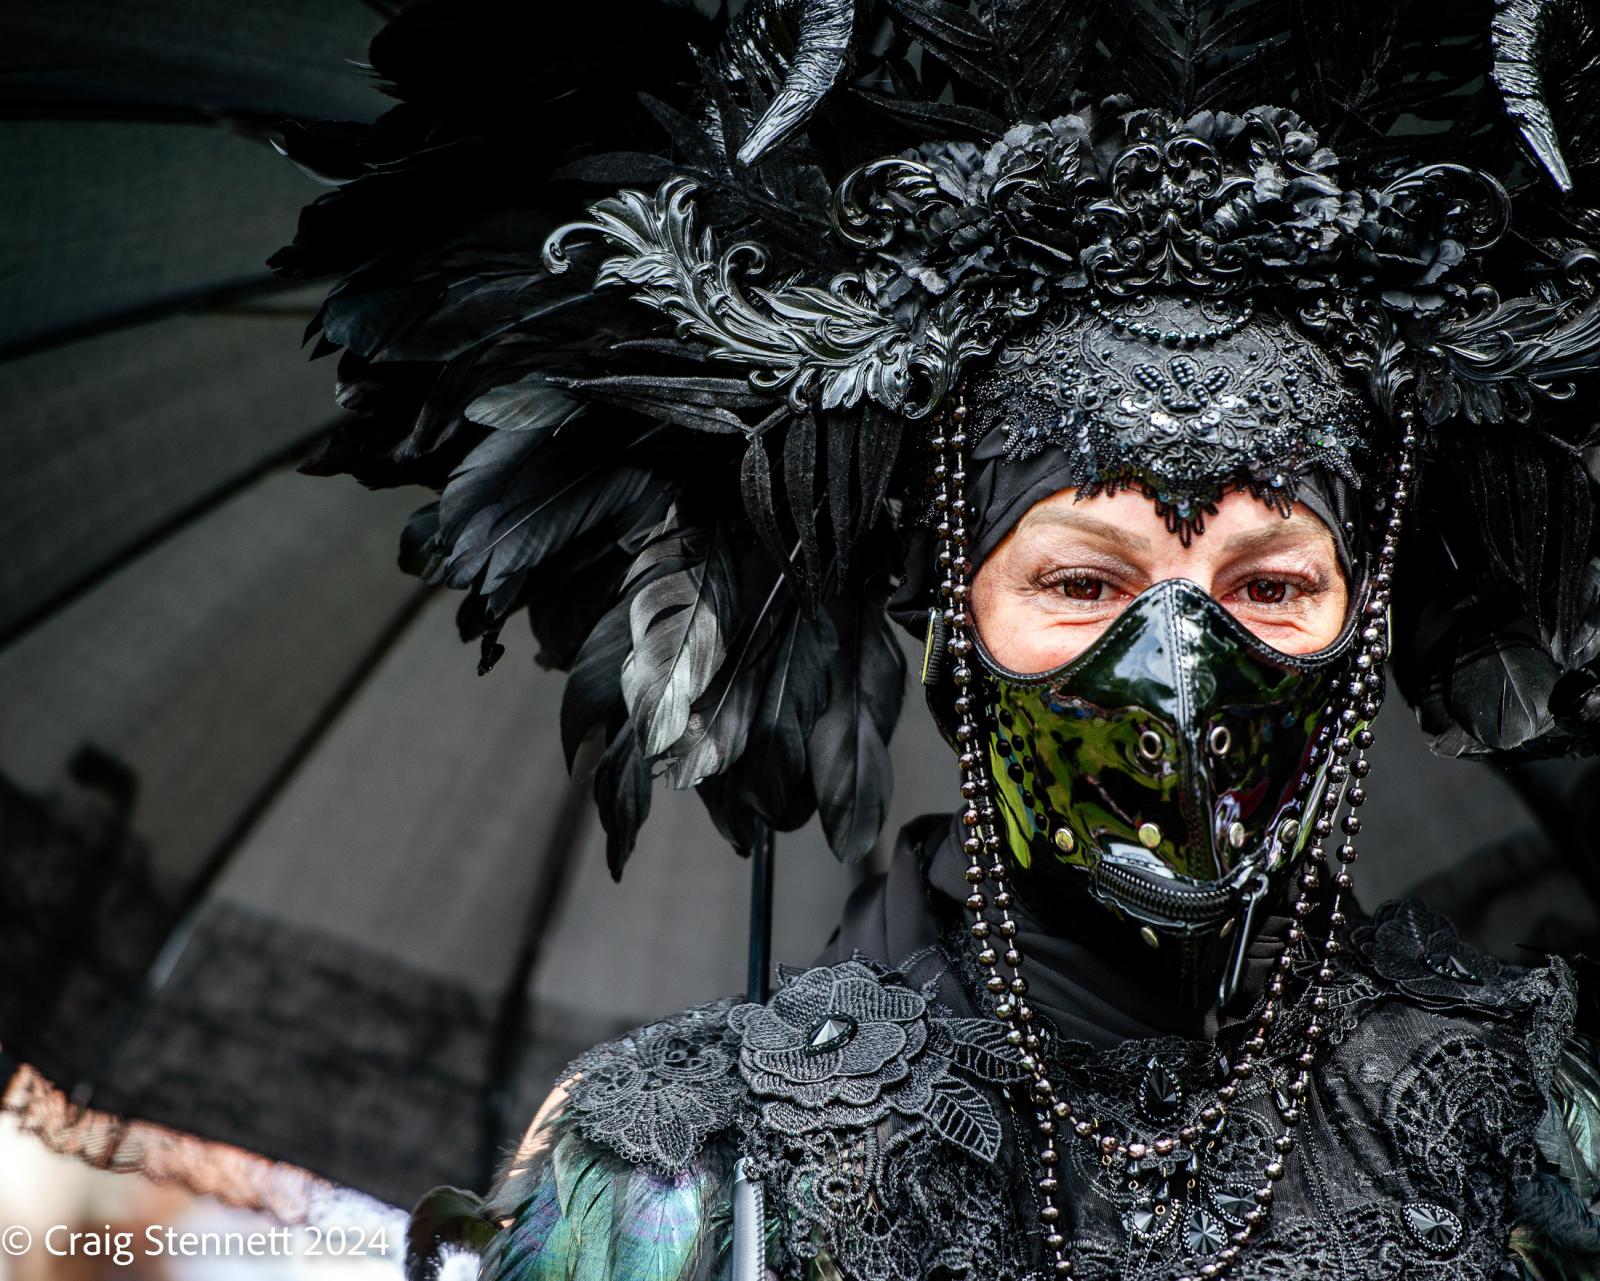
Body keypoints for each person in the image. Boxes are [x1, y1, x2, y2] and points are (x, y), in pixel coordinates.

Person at [269, 0, 1600, 1276]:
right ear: (955, 641)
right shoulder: (694, 1173)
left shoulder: (1529, 1132)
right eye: (1084, 583)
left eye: (1267, 588)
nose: (1182, 677)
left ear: (1359, 634)